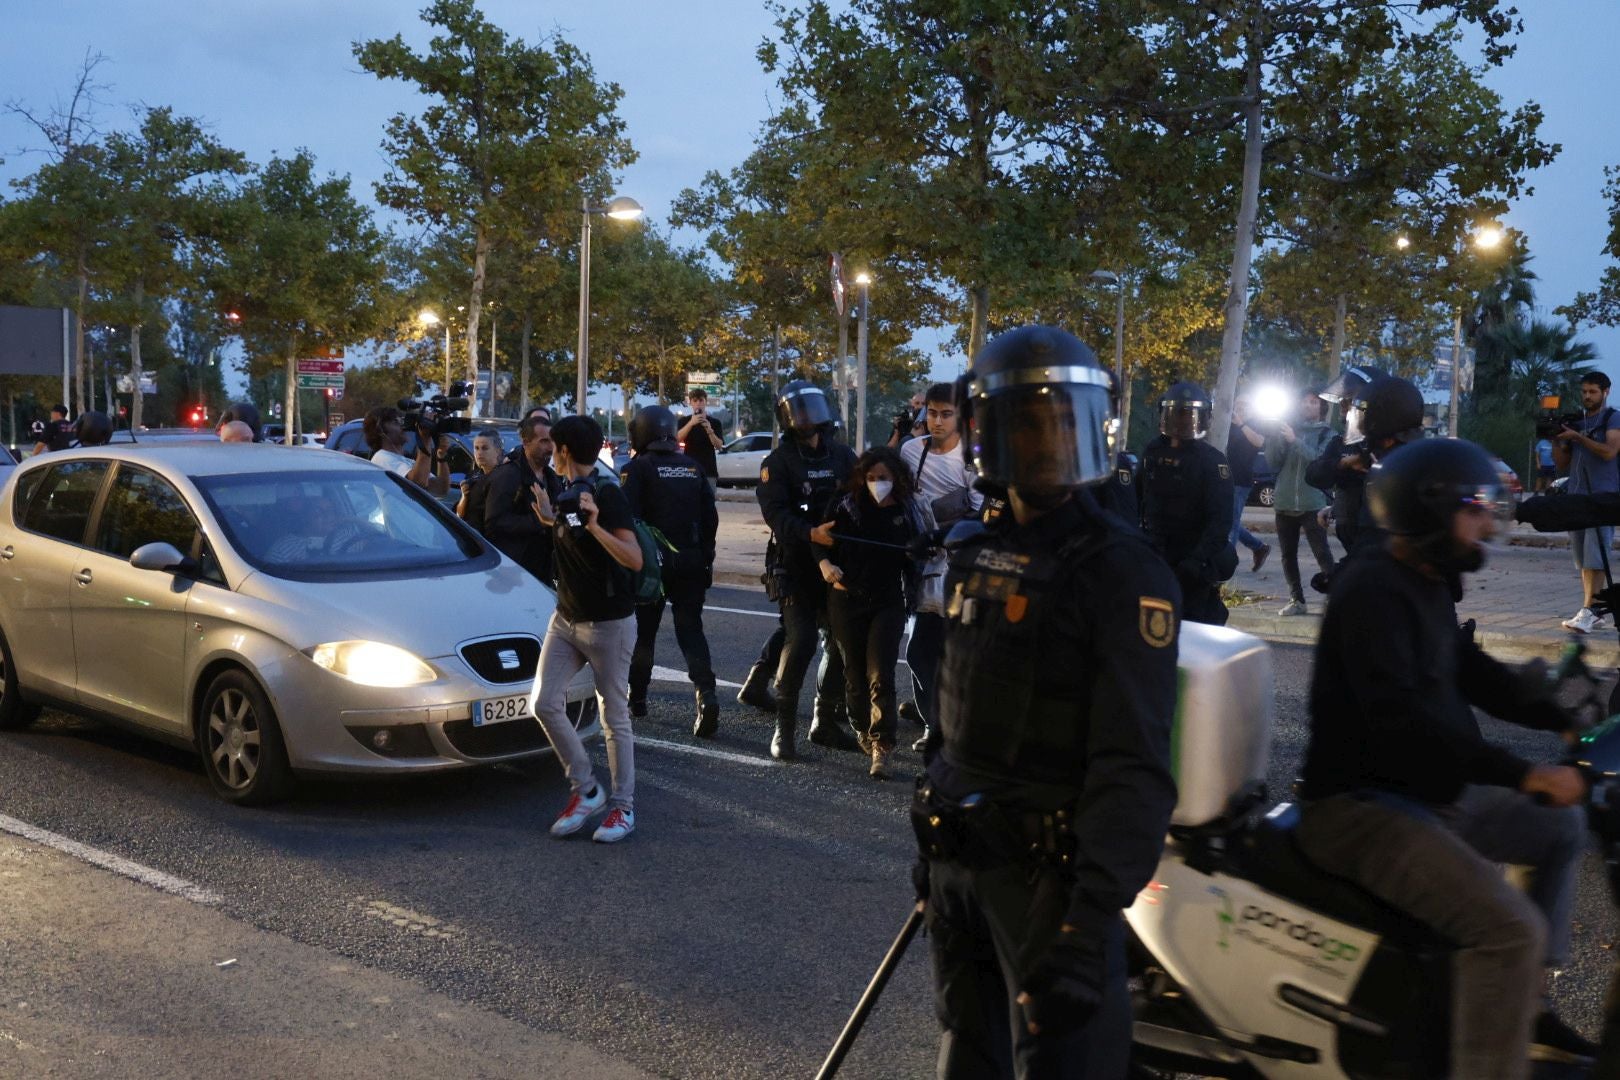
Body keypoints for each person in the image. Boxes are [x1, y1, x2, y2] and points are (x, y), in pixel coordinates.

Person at [913, 326, 1179, 1078]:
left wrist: (1089, 923)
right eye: (1029, 423)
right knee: (969, 1055)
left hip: (1049, 885)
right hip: (960, 860)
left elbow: (1134, 762)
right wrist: (930, 854)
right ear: (989, 431)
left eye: (1067, 421)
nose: (1051, 442)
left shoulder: (1122, 572)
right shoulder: (975, 552)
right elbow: (953, 715)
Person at [1294, 437, 1595, 1077]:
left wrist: (1565, 718)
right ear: (1429, 509)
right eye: (1475, 509)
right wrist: (1525, 773)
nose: (1485, 524)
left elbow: (1472, 671)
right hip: (1362, 811)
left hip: (1423, 795)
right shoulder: (1372, 590)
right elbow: (1407, 728)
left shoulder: (1423, 579)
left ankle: (1522, 1004)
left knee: (1560, 827)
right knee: (1509, 930)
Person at [532, 415, 644, 844]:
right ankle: (587, 790)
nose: (549, 454)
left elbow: (633, 557)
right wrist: (550, 518)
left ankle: (623, 808)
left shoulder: (607, 493)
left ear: (564, 450)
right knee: (544, 703)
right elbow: (574, 540)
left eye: (553, 446)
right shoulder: (566, 490)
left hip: (609, 624)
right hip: (565, 619)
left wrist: (595, 525)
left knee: (614, 717)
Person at [757, 379, 860, 760]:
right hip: (795, 566)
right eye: (798, 412)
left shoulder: (843, 455)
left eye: (811, 409)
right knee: (800, 641)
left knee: (841, 642)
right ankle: (783, 729)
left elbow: (860, 499)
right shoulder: (778, 463)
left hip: (837, 565)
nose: (807, 419)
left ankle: (825, 721)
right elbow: (776, 515)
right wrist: (809, 533)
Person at [818, 446, 932, 779]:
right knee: (855, 677)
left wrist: (917, 553)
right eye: (870, 477)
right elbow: (818, 539)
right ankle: (862, 729)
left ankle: (883, 744)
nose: (877, 483)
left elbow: (920, 551)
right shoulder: (845, 504)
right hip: (846, 600)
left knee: (880, 674)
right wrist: (825, 564)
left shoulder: (908, 510)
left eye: (883, 477)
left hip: (888, 602)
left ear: (896, 477)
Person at [621, 405, 720, 737]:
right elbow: (710, 519)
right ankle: (706, 694)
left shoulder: (637, 469)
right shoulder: (693, 467)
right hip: (691, 561)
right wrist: (706, 557)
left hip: (652, 566)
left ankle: (637, 698)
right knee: (691, 630)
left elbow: (627, 520)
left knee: (644, 633)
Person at [898, 382, 982, 752]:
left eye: (946, 414)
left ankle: (958, 727)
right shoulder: (910, 451)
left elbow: (982, 516)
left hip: (961, 569)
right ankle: (935, 725)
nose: (937, 421)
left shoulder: (973, 458)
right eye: (932, 413)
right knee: (919, 653)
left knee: (959, 657)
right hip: (922, 569)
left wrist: (940, 536)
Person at [1139, 380, 1234, 626]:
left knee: (1194, 627)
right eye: (1178, 414)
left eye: (1190, 415)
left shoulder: (1211, 461)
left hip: (1193, 560)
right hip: (1157, 556)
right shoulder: (1153, 452)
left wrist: (1196, 560)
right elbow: (1138, 501)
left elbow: (1220, 521)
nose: (1183, 421)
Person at [1553, 371, 1620, 634]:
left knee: (1596, 556)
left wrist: (1579, 437)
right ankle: (1591, 611)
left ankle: (1590, 611)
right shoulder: (1576, 422)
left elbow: (1610, 451)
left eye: (1593, 392)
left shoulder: (1612, 418)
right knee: (1583, 560)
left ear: (1606, 392)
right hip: (1576, 496)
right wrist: (1557, 439)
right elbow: (1562, 463)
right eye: (1584, 392)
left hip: (1602, 497)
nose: (1587, 397)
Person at [1265, 389, 1335, 615]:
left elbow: (1319, 461)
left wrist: (1294, 440)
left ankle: (1335, 598)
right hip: (1284, 501)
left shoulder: (1328, 434)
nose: (1308, 405)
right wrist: (1274, 437)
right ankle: (1297, 599)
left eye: (1313, 402)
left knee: (1322, 553)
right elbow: (1273, 462)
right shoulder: (1288, 429)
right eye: (1304, 401)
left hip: (1313, 503)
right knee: (1287, 555)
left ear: (1322, 406)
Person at [1305, 364, 1386, 555]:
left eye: (1350, 399)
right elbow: (1313, 475)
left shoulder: (1388, 443)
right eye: (1342, 398)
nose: (1342, 404)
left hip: (1376, 544)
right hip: (1351, 537)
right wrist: (1344, 463)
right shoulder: (1341, 442)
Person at [484, 415, 562, 583]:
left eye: (552, 441)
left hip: (543, 569)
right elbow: (494, 522)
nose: (550, 447)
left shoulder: (552, 478)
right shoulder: (507, 476)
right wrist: (540, 520)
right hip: (512, 571)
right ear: (526, 442)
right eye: (544, 441)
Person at [361, 406, 450, 497]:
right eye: (396, 422)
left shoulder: (407, 461)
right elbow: (417, 484)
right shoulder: (381, 458)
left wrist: (441, 456)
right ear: (380, 430)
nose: (402, 426)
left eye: (401, 421)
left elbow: (441, 489)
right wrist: (424, 440)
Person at [1227, 395, 1271, 572]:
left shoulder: (1255, 423)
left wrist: (1241, 424)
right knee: (1227, 521)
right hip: (1223, 477)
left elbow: (1259, 442)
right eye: (1237, 404)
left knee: (1231, 522)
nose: (1240, 408)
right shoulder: (1229, 424)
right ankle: (1259, 547)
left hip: (1241, 480)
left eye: (1244, 405)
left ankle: (1227, 564)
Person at [677, 388, 725, 495]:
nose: (698, 403)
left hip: (709, 471)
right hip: (690, 469)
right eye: (695, 401)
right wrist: (691, 423)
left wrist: (709, 430)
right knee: (689, 500)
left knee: (708, 502)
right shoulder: (684, 421)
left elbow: (719, 446)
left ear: (705, 402)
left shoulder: (715, 422)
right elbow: (676, 439)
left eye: (701, 400)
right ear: (691, 403)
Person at [456, 427, 506, 528]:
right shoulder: (474, 476)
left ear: (498, 451)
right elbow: (459, 516)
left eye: (485, 448)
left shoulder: (504, 476)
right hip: (468, 531)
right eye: (476, 448)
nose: (479, 453)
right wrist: (464, 496)